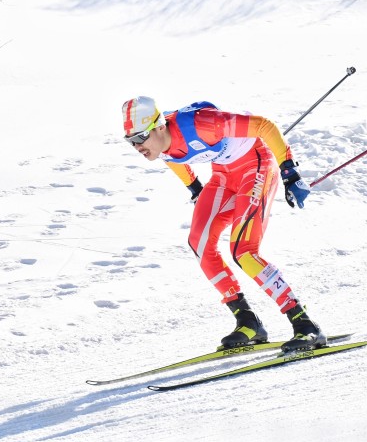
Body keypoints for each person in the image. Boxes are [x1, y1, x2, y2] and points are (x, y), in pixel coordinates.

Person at [121, 96, 325, 352]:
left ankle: (305, 325)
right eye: (130, 141)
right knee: (200, 243)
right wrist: (195, 188)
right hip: (224, 176)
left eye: (140, 137)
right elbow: (175, 158)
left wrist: (290, 172)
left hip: (256, 165)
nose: (137, 146)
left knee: (244, 251)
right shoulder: (159, 144)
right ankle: (248, 321)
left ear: (160, 126)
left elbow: (264, 126)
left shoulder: (202, 124)